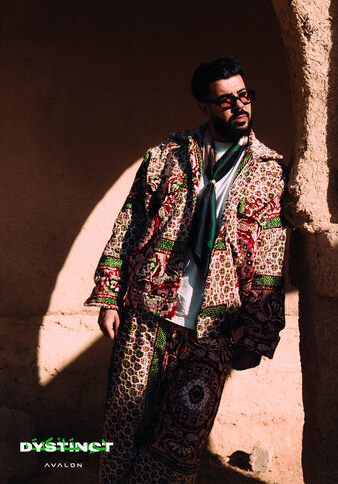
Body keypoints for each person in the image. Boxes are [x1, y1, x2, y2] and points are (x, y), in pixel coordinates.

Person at [85, 57, 287, 484]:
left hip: (212, 331)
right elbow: (129, 224)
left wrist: (258, 334)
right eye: (226, 100)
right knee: (123, 432)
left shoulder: (269, 171)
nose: (240, 106)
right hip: (147, 315)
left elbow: (270, 256)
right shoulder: (167, 156)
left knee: (180, 446)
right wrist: (108, 296)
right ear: (204, 106)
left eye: (245, 96)